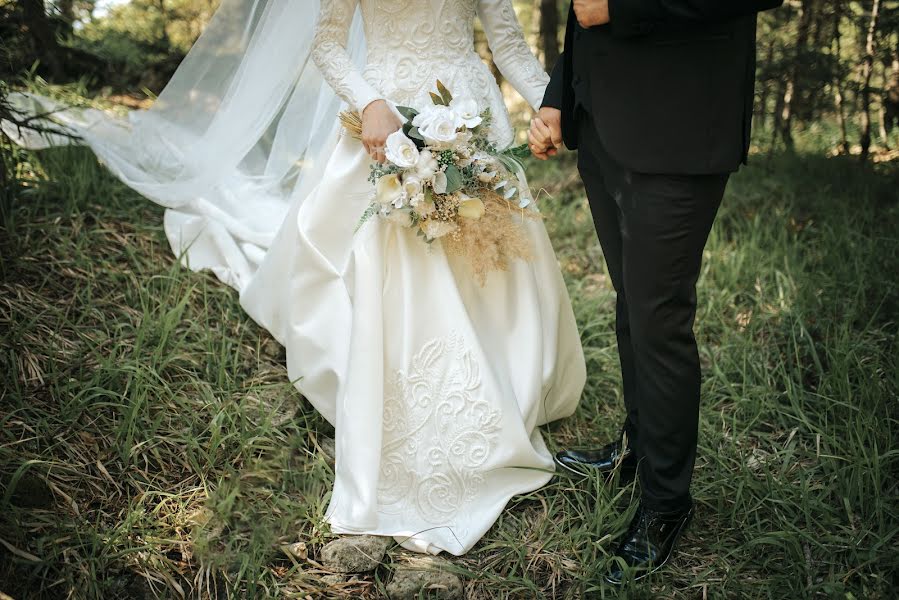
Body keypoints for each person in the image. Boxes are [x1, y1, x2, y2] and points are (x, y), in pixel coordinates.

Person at [4, 0, 586, 557]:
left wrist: (549, 106)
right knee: (399, 261)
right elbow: (329, 43)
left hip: (467, 114)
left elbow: (507, 42)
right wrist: (371, 102)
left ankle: (502, 372)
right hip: (384, 123)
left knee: (483, 251)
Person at [528, 0, 783, 584]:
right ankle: (636, 446)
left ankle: (666, 500)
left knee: (659, 317)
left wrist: (623, 7)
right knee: (632, 302)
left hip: (679, 124)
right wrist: (560, 94)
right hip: (602, 123)